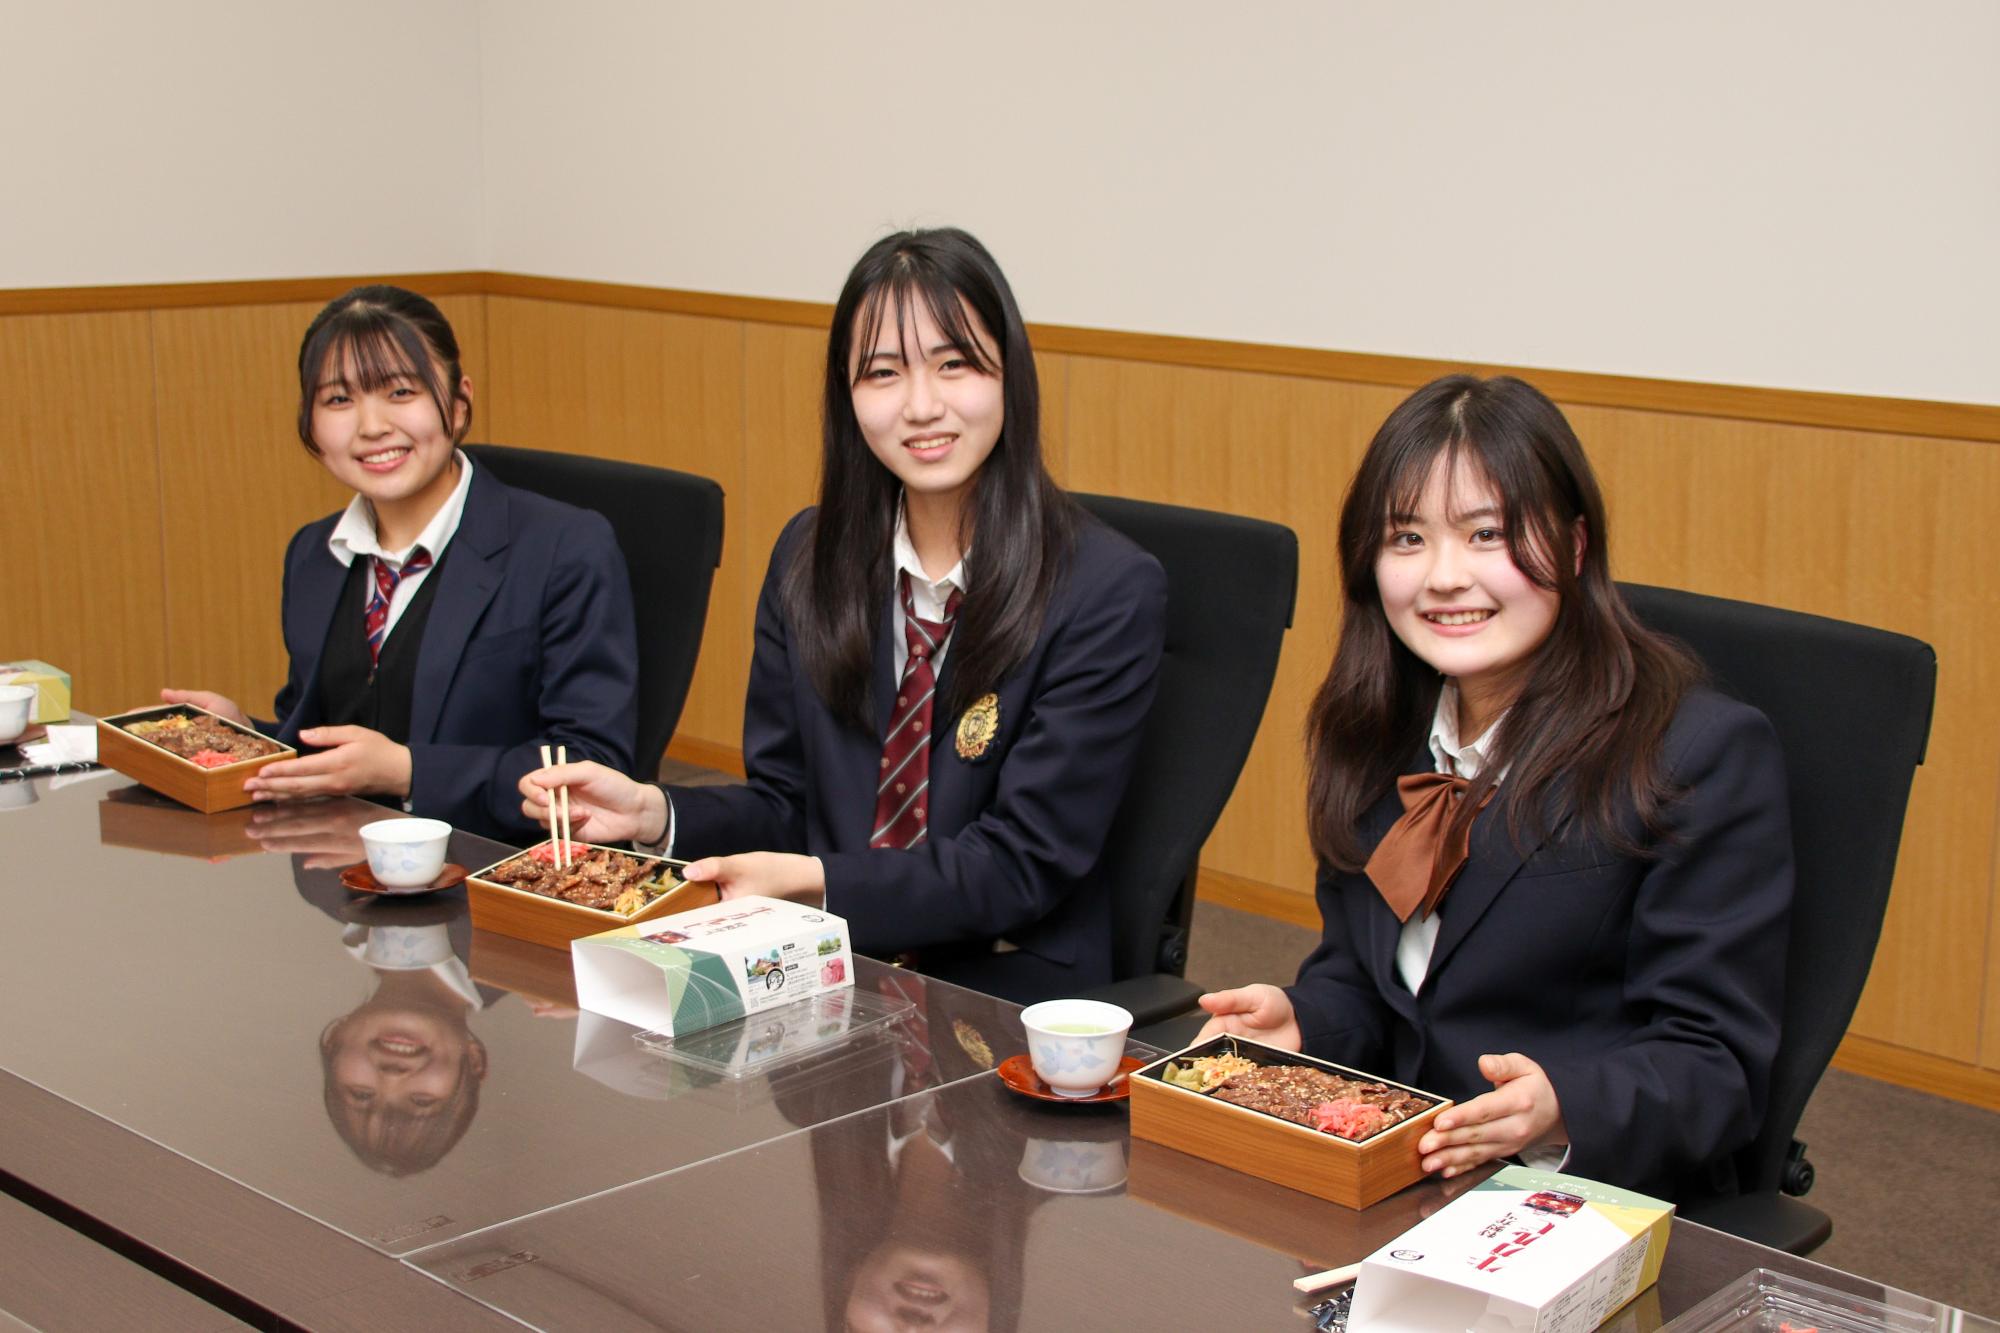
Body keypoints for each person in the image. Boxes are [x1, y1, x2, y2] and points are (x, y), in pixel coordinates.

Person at [520, 229, 1167, 1002]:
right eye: (884, 373)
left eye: (954, 363)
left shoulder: (1106, 587)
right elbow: (787, 803)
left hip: (1004, 992)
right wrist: (656, 813)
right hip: (824, 971)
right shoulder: (809, 555)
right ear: (847, 395)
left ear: (1010, 375)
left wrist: (817, 884)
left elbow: (1020, 862)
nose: (922, 405)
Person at [1197, 374, 1793, 1203]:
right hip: (1400, 1171)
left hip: (1581, 1197)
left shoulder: (1696, 752)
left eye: (1487, 534)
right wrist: (1304, 1020)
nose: (1443, 576)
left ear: (1575, 547)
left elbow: (1715, 1065)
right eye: (1407, 538)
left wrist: (1560, 1105)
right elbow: (1376, 987)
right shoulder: (1376, 730)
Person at [162, 285, 638, 842]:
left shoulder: (565, 546)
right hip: (346, 876)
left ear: (459, 402)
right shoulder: (314, 554)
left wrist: (407, 771)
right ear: (310, 425)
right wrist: (247, 736)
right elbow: (325, 738)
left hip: (497, 878)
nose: (371, 426)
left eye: (400, 391)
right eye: (339, 400)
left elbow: (592, 764)